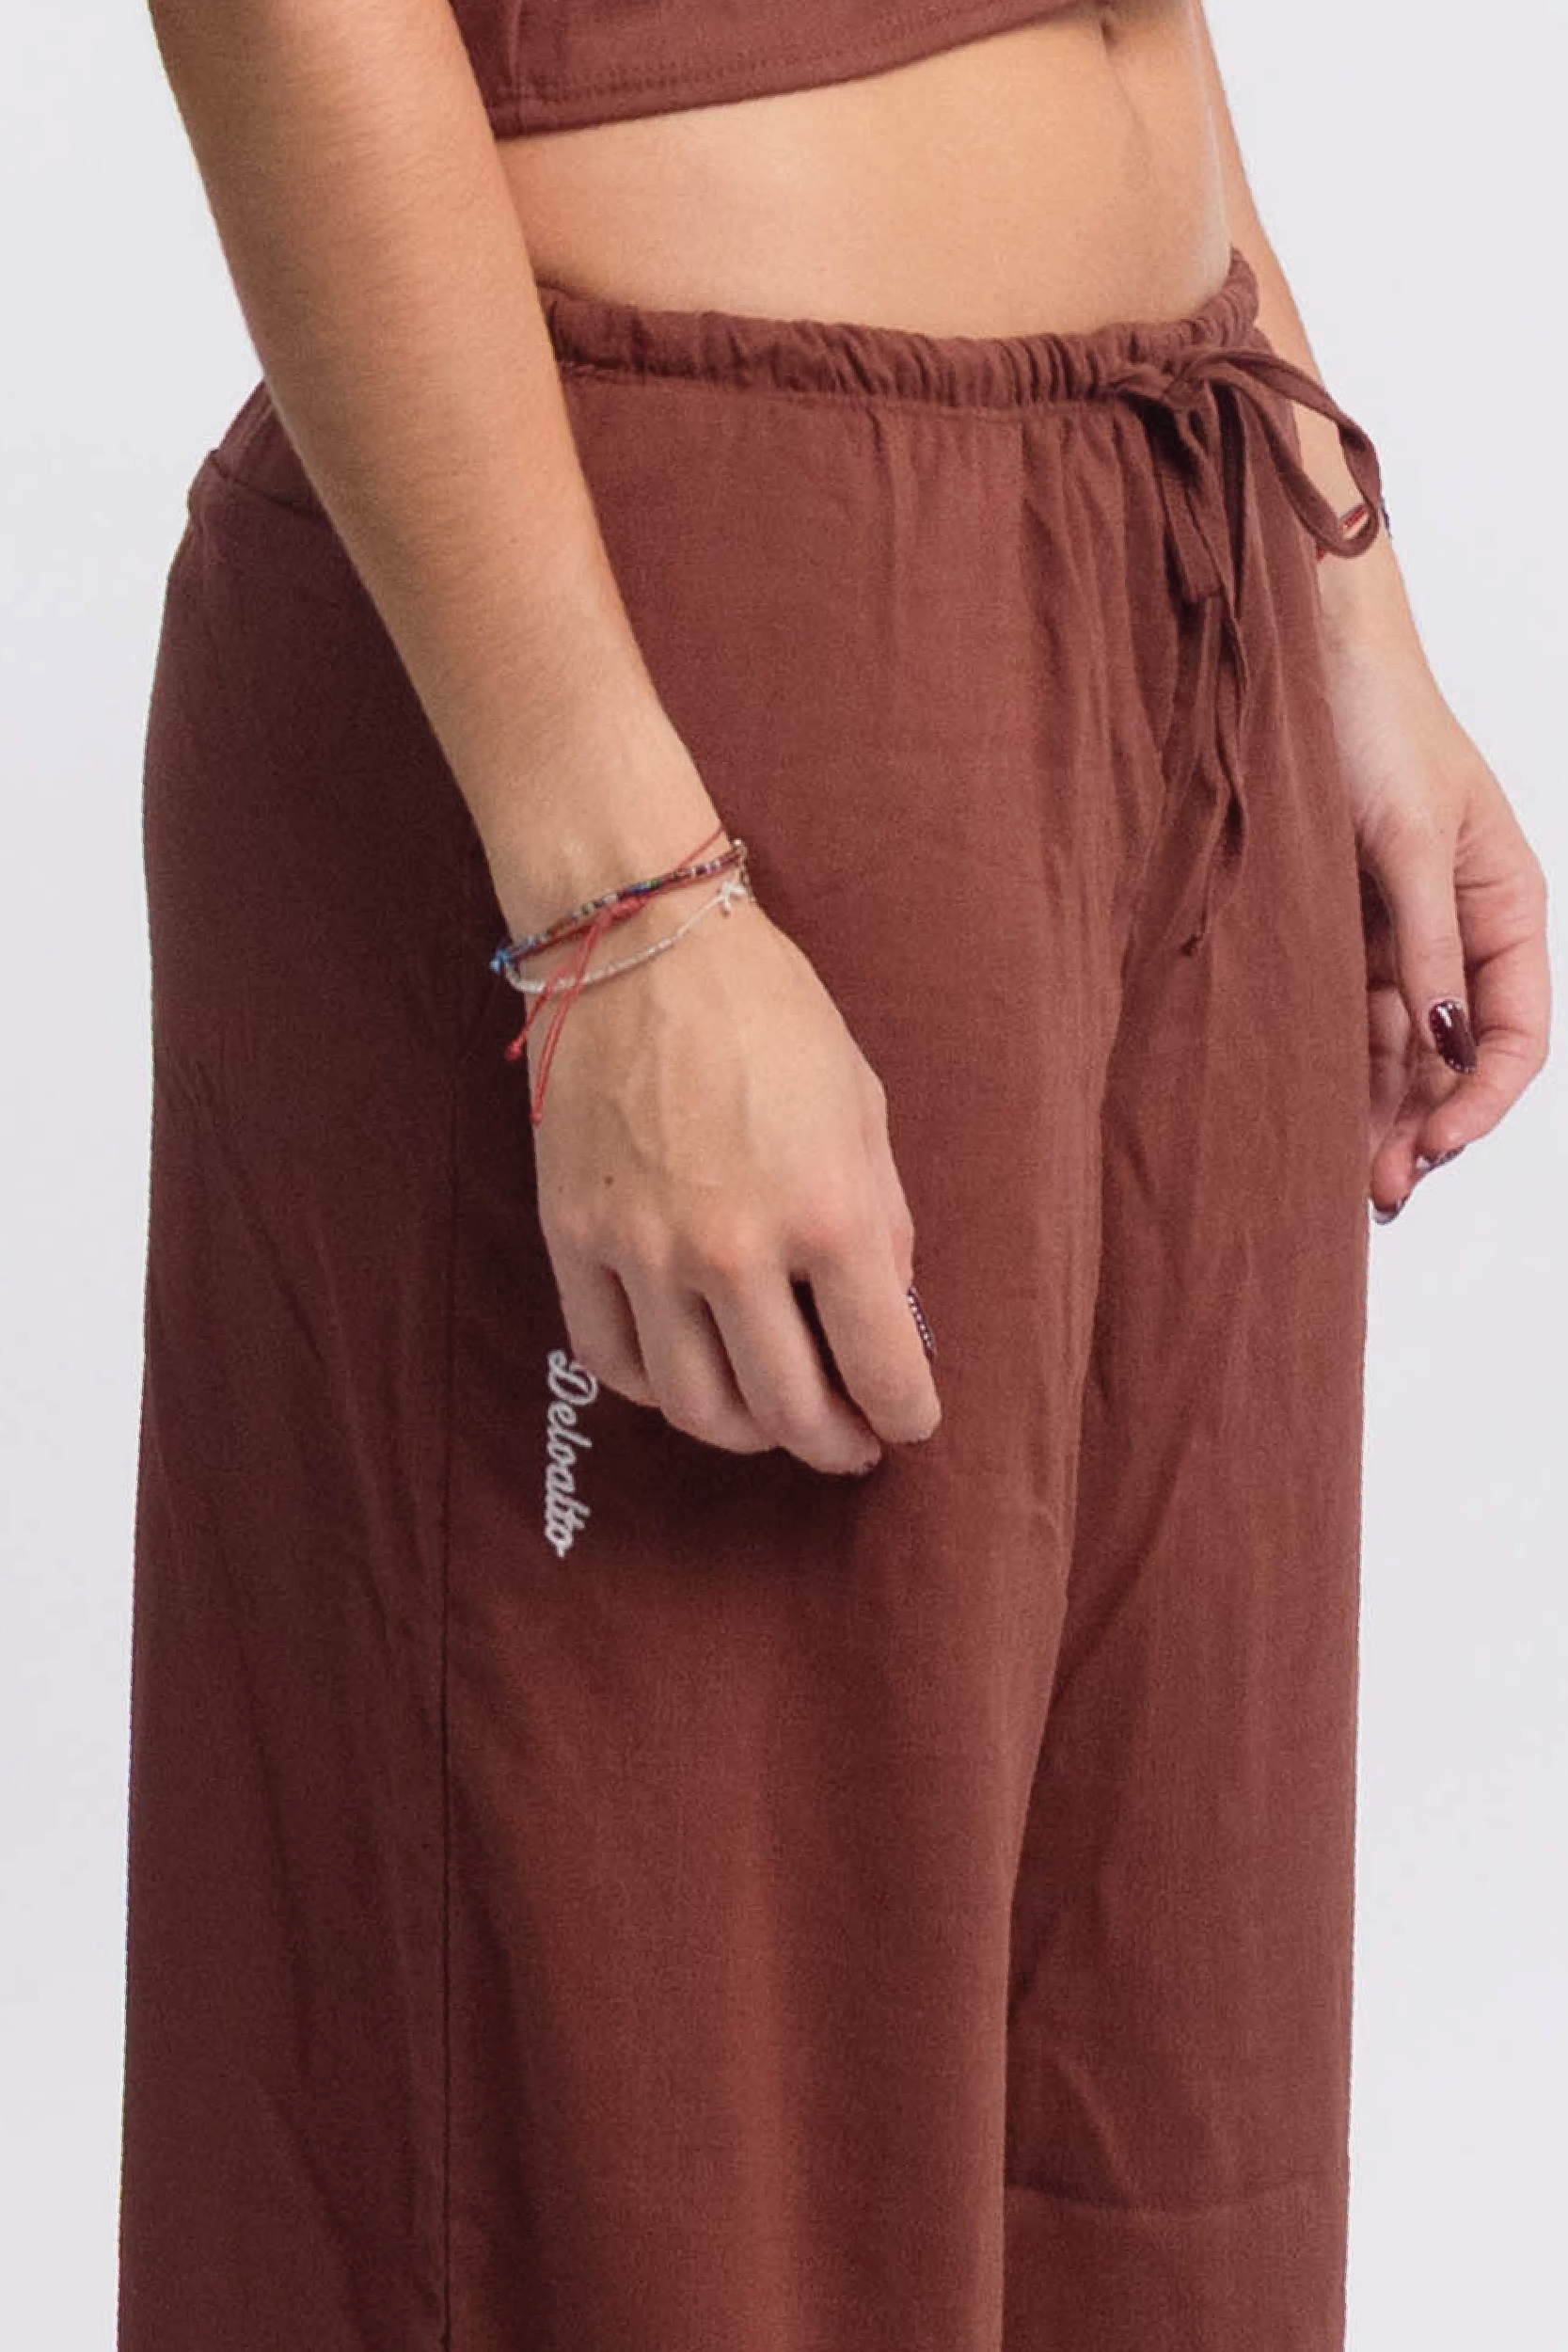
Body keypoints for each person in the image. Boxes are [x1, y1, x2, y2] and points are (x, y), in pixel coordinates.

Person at [119, 2, 1550, 2347]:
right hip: (672, 640)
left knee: (1152, 2146)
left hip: (1175, 544)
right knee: (665, 2174)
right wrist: (619, 899)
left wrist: (1337, 580)